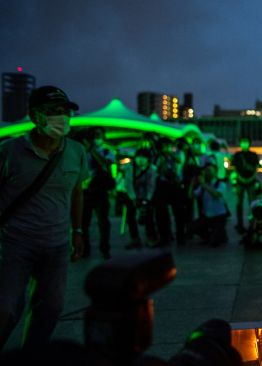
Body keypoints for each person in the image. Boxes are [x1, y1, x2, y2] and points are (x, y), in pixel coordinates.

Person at [0, 86, 87, 350]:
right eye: (52, 112)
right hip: (14, 244)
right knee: (6, 309)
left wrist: (78, 232)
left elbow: (76, 194)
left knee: (50, 308)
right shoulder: (9, 151)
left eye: (65, 112)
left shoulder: (76, 151)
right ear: (34, 116)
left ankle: (32, 356)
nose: (61, 118)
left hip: (56, 244)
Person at [81, 127, 115, 259]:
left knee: (103, 222)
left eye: (98, 135)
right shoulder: (83, 152)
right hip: (86, 191)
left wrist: (92, 150)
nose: (96, 138)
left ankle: (105, 248)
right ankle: (85, 249)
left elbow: (106, 164)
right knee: (84, 222)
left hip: (101, 191)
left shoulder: (107, 150)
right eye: (94, 135)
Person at [121, 148, 159, 248]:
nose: (140, 159)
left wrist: (147, 199)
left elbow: (151, 185)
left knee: (148, 217)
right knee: (130, 217)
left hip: (146, 196)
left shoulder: (151, 169)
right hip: (131, 195)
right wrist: (133, 198)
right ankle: (135, 239)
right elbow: (128, 184)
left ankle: (151, 238)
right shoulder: (130, 167)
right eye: (139, 156)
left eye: (144, 157)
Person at [191, 163, 229, 246]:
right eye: (206, 171)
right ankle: (211, 236)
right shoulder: (203, 185)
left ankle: (219, 235)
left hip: (219, 217)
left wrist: (203, 184)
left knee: (214, 243)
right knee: (193, 227)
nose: (207, 173)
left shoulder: (220, 184)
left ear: (215, 172)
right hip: (207, 217)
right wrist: (192, 183)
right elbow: (192, 196)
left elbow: (216, 194)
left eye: (209, 171)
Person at [231, 136, 260, 234]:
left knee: (252, 203)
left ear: (249, 143)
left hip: (251, 182)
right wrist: (240, 178)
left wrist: (252, 178)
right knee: (239, 204)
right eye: (242, 142)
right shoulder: (237, 155)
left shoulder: (253, 154)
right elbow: (234, 168)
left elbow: (256, 168)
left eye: (246, 142)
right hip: (240, 182)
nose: (244, 144)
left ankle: (253, 223)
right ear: (240, 143)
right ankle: (240, 224)